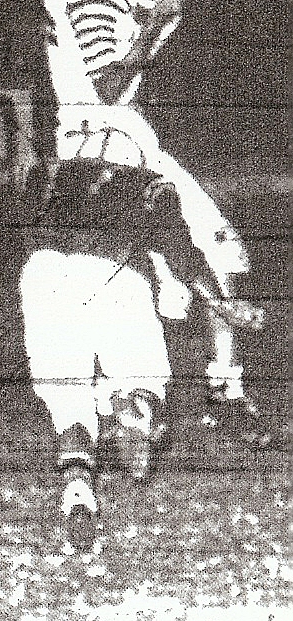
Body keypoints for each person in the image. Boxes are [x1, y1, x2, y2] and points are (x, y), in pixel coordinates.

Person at [42, 0, 256, 410]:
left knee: (167, 260)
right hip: (109, 137)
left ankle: (197, 383)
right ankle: (212, 384)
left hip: (94, 136)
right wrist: (159, 23)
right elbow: (110, 82)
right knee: (211, 249)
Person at [19, 126, 265, 554]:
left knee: (66, 394)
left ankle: (78, 486)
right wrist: (222, 304)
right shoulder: (150, 186)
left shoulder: (48, 174)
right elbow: (183, 255)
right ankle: (133, 408)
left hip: (40, 274)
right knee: (143, 375)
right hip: (111, 272)